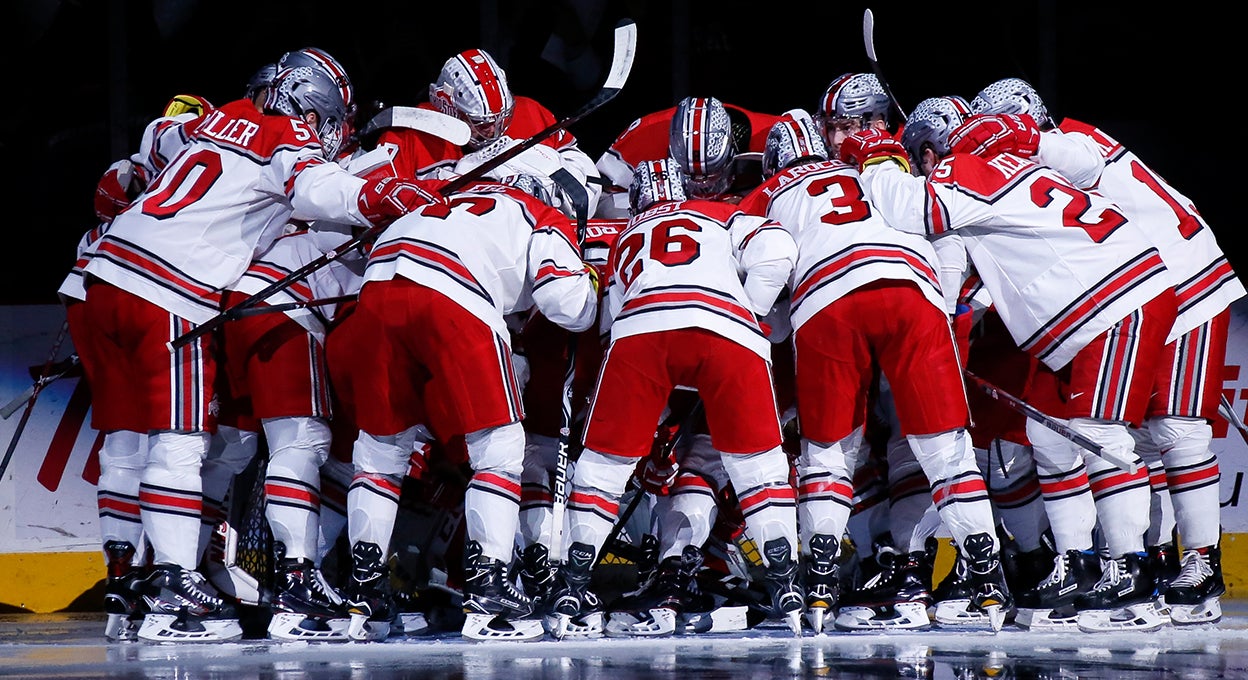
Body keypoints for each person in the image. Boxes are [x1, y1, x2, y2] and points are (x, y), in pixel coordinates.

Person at [73, 64, 443, 643]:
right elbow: (319, 189)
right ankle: (179, 587)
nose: (330, 131)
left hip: (100, 276)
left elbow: (148, 148)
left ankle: (141, 579)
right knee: (185, 441)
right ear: (308, 107)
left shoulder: (212, 118)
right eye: (328, 117)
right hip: (173, 288)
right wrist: (378, 196)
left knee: (139, 443)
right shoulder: (289, 138)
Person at [841, 106, 1179, 634]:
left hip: (1111, 300)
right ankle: (1079, 566)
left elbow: (914, 211)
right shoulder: (1020, 168)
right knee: (1048, 437)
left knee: (1101, 439)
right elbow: (973, 274)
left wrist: (877, 159)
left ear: (932, 154)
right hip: (1097, 300)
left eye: (919, 159)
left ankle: (1131, 575)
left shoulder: (962, 172)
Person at [971, 77, 1246, 626]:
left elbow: (1078, 158)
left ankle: (1198, 569)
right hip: (1136, 299)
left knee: (1174, 431)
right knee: (1102, 436)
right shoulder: (1034, 176)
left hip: (1186, 287)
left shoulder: (1071, 141)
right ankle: (1125, 565)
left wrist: (1019, 137)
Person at [738, 113, 1010, 633]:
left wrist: (766, 321)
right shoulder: (871, 168)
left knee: (830, 452)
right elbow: (937, 226)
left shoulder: (767, 193)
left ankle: (818, 584)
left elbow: (767, 281)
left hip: (829, 299)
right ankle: (988, 579)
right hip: (914, 290)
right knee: (945, 450)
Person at [330, 155, 600, 642]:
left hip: (375, 291)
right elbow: (566, 304)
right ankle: (489, 587)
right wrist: (590, 288)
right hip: (455, 294)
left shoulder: (448, 193)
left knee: (380, 452)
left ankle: (365, 592)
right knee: (498, 447)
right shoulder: (541, 213)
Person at [547, 158, 803, 638]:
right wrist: (748, 309)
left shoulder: (624, 234)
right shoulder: (724, 214)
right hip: (726, 330)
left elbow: (607, 322)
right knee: (759, 467)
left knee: (602, 466)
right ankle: (786, 584)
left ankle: (572, 583)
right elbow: (778, 247)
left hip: (642, 332)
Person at [593, 96, 785, 217]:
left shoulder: (772, 134)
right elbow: (604, 201)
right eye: (689, 177)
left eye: (711, 180)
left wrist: (751, 204)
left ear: (733, 149)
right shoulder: (643, 136)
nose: (702, 191)